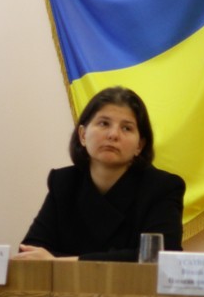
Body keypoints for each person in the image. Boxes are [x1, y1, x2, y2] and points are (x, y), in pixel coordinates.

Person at [13, 86, 185, 262]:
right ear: (82, 135)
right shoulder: (64, 182)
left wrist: (61, 262)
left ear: (139, 145)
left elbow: (161, 256)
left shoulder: (162, 187)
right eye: (104, 124)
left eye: (126, 128)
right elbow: (30, 252)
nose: (113, 135)